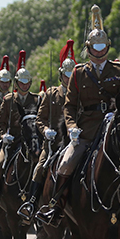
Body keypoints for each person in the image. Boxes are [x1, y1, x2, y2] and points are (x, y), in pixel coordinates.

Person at [36, 5, 120, 227]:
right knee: (66, 164)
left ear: (107, 47)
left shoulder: (119, 71)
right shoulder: (79, 73)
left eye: (102, 47)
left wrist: (117, 115)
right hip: (86, 130)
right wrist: (71, 128)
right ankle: (57, 207)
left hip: (113, 129)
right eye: (94, 48)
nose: (98, 53)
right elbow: (69, 106)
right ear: (88, 48)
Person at [16, 40, 74, 223]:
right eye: (66, 74)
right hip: (53, 143)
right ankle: (31, 204)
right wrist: (46, 130)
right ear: (61, 75)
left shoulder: (79, 95)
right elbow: (39, 119)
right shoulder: (51, 94)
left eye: (72, 74)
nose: (69, 78)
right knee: (40, 167)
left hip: (74, 141)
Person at [0, 61, 40, 215]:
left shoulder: (36, 100)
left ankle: (38, 201)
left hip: (31, 141)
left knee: (42, 165)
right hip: (12, 141)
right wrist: (4, 135)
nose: (25, 85)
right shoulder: (9, 99)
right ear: (16, 83)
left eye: (27, 82)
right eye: (22, 83)